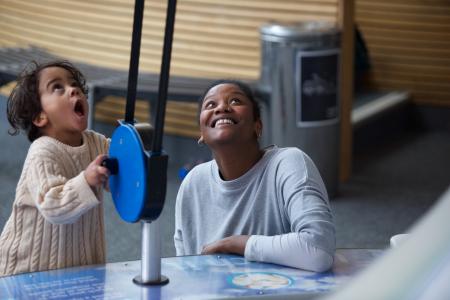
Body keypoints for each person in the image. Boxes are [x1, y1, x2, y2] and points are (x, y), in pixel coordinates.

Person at [174, 80, 335, 272]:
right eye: (210, 105)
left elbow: (318, 249)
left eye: (235, 101)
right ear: (202, 133)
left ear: (257, 126)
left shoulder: (288, 163)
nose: (222, 108)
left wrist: (234, 244)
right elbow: (185, 269)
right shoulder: (193, 183)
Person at [0, 61, 110, 277]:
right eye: (57, 87)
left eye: (74, 84)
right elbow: (53, 206)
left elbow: (123, 160)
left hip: (77, 265)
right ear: (41, 116)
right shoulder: (42, 152)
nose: (73, 89)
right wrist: (86, 181)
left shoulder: (96, 142)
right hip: (26, 272)